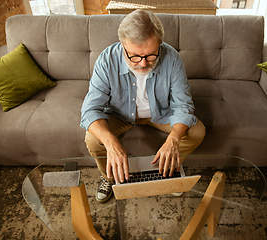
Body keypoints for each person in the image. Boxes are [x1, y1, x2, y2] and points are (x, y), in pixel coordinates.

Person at [80, 9, 206, 203]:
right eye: (135, 56)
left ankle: (169, 168)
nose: (143, 63)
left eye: (151, 55)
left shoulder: (172, 59)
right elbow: (90, 109)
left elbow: (183, 105)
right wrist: (111, 143)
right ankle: (108, 177)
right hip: (119, 114)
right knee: (93, 138)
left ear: (160, 45)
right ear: (123, 46)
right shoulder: (107, 60)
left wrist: (173, 140)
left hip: (161, 113)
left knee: (197, 131)